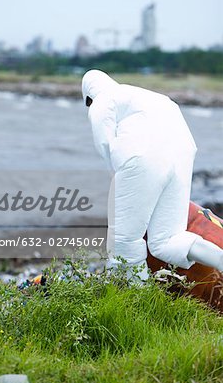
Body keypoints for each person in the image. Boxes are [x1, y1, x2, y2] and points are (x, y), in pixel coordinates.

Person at [82, 69, 223, 282]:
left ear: (89, 96)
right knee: (167, 240)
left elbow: (105, 143)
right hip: (182, 156)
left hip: (143, 157)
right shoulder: (149, 96)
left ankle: (137, 301)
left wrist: (121, 185)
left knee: (124, 241)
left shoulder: (102, 100)